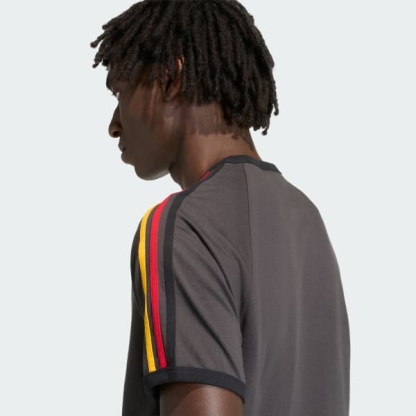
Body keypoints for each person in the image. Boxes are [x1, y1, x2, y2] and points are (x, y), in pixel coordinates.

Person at [90, 0, 350, 415]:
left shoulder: (182, 226)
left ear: (171, 79)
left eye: (121, 93)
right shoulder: (308, 219)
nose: (114, 124)